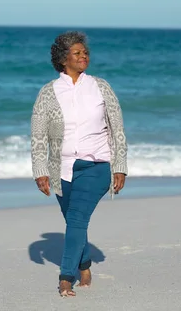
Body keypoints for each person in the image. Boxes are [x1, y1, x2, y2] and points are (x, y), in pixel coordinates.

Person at [30, 31, 128, 297]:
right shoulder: (48, 93)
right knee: (75, 223)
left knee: (75, 219)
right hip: (61, 169)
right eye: (77, 53)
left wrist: (119, 166)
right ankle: (84, 264)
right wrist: (40, 171)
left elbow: (117, 128)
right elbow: (38, 135)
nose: (83, 56)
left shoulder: (101, 87)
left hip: (96, 165)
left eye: (85, 52)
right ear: (63, 59)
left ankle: (66, 277)